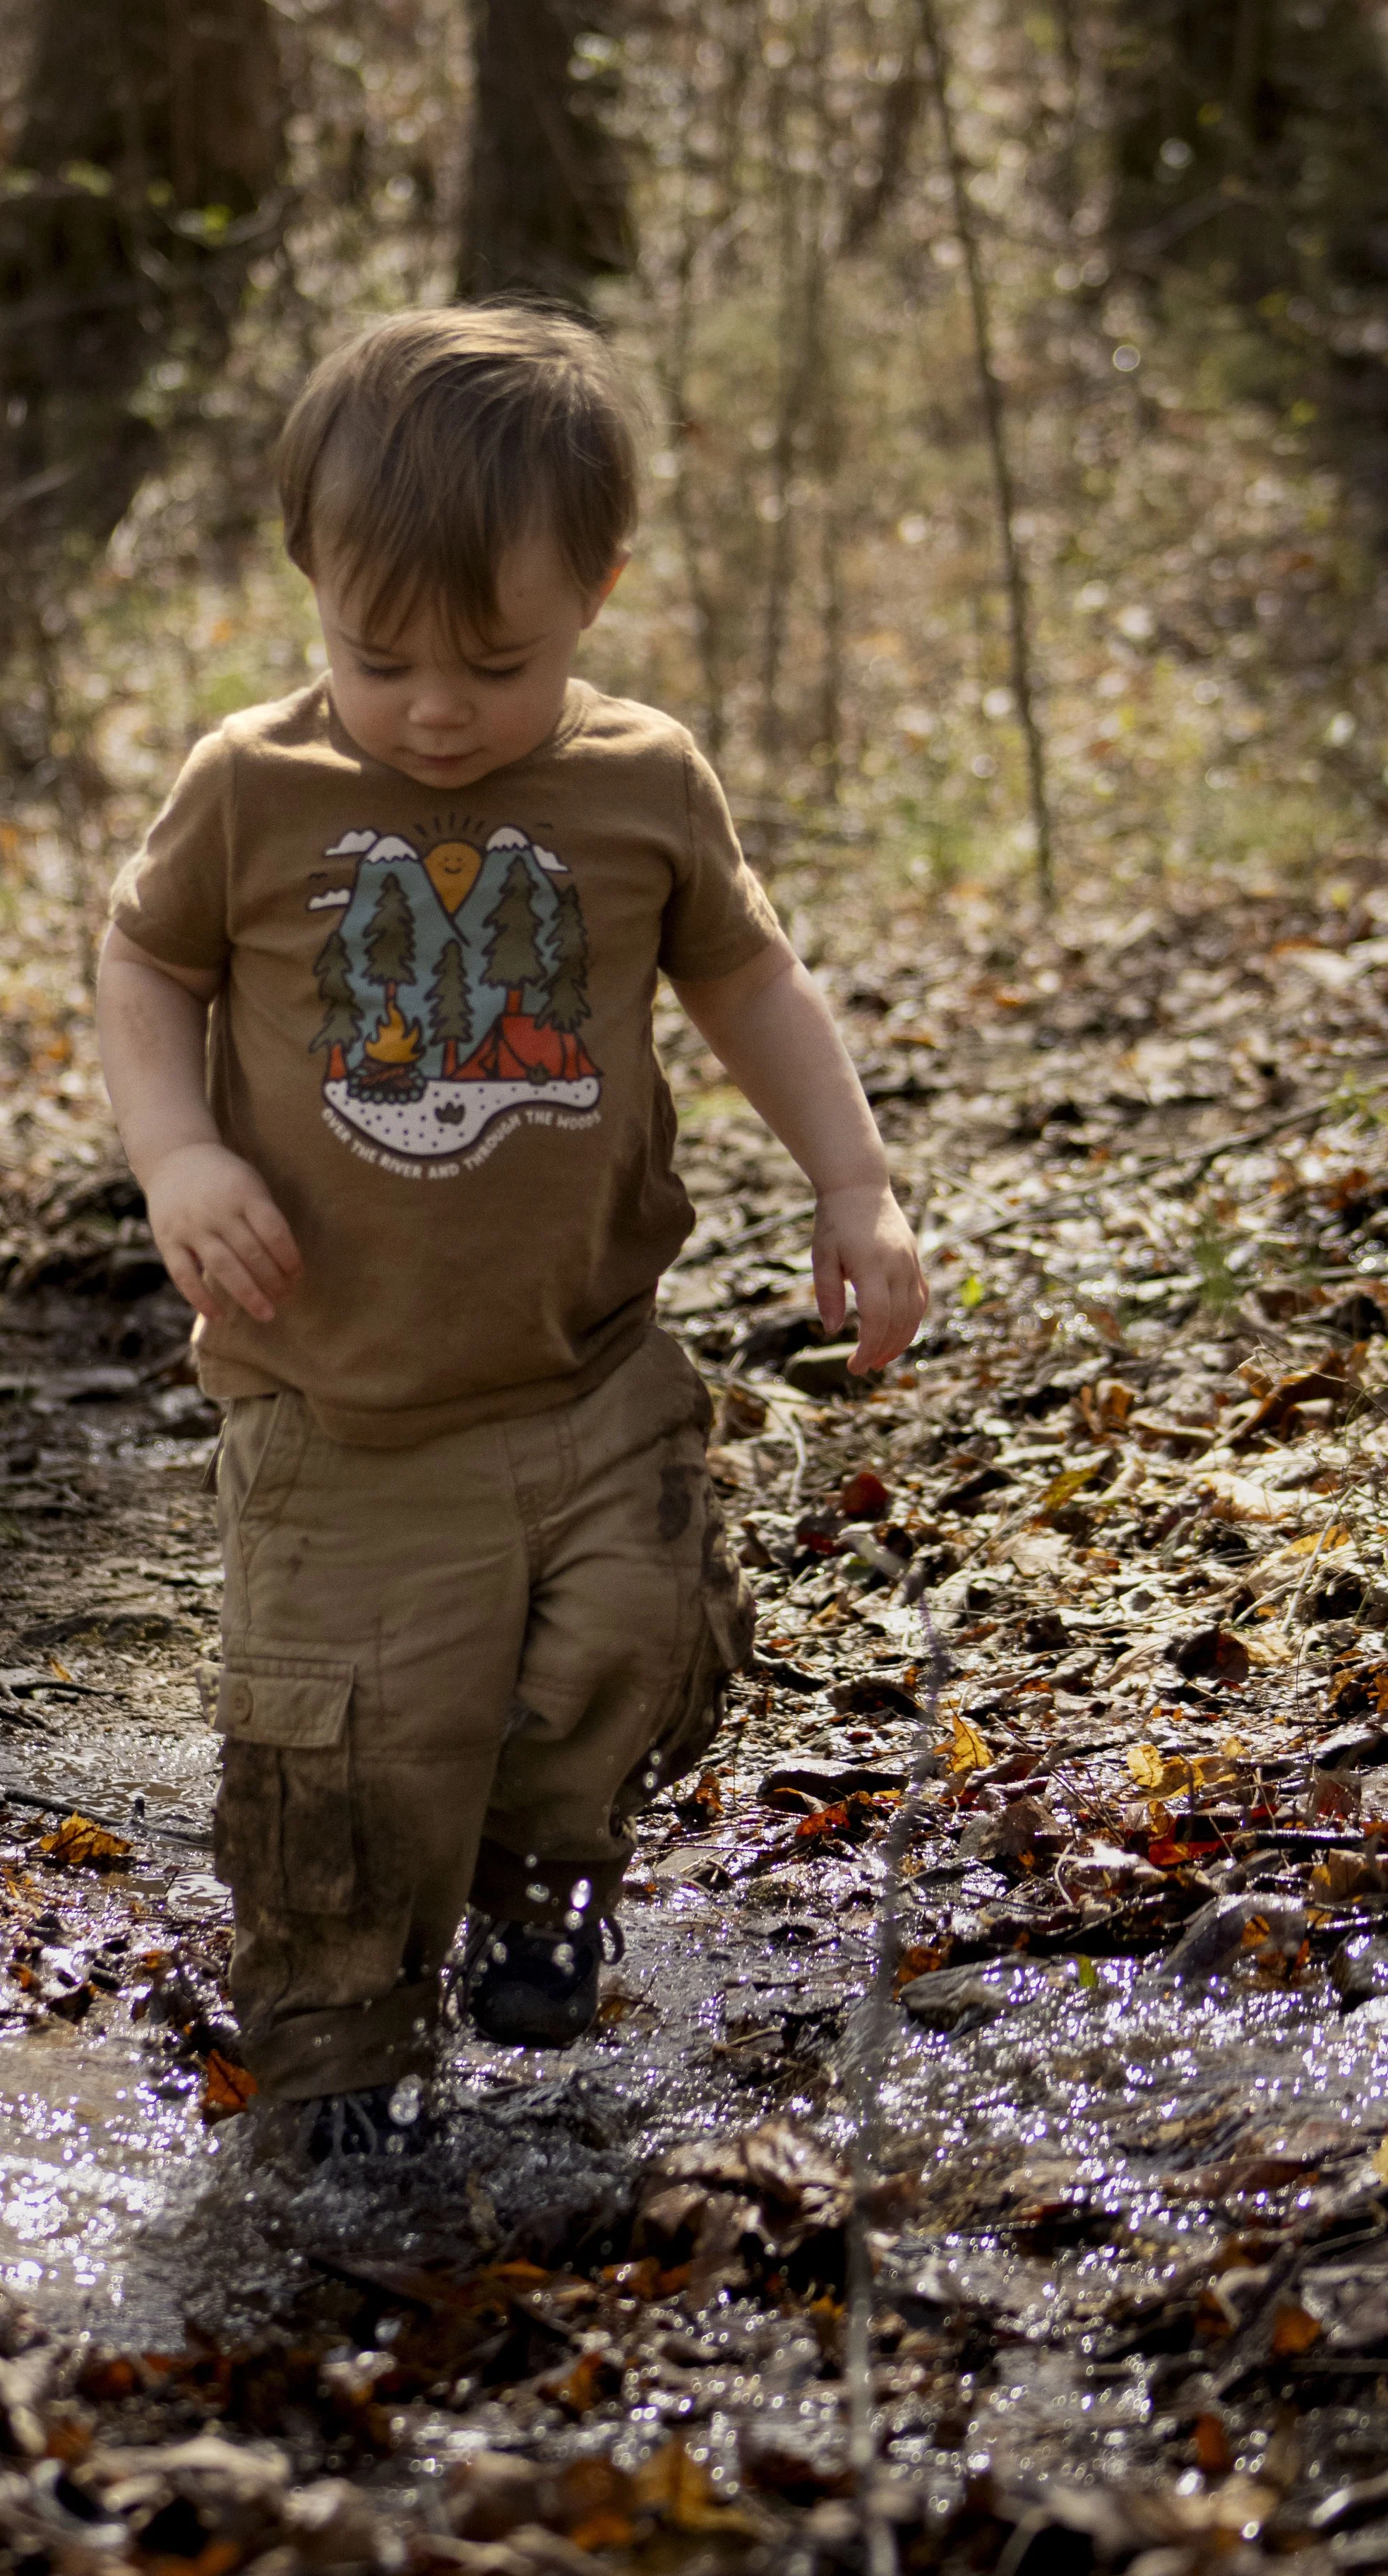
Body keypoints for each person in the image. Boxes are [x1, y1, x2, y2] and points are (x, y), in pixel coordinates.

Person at [97, 305, 926, 2163]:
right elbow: (143, 958)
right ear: (310, 583)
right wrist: (175, 1155)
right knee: (342, 1785)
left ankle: (546, 1879)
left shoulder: (639, 783)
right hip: (342, 1417)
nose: (437, 709)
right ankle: (328, 2113)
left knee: (625, 1637)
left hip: (584, 1373)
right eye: (378, 657)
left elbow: (751, 977)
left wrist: (852, 1183)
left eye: (497, 658)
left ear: (600, 592)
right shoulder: (254, 788)